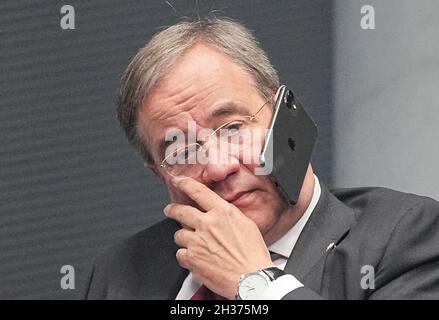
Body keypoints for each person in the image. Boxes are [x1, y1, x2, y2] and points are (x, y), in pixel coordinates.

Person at [84, 16, 439, 300]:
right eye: (183, 151)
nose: (219, 166)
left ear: (286, 116)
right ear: (159, 176)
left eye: (233, 127)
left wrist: (257, 283)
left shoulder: (404, 236)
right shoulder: (120, 275)